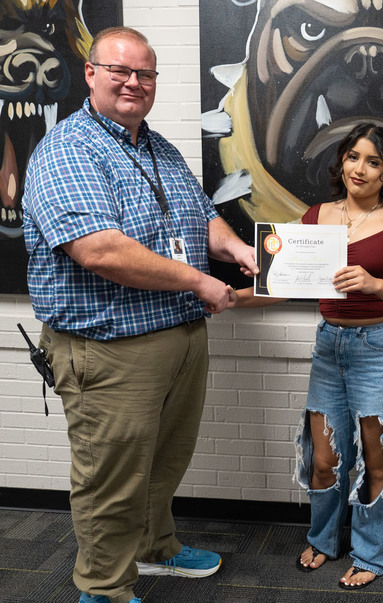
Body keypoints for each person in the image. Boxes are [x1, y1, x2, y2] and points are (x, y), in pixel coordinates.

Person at [22, 27, 259, 603]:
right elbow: (99, 250)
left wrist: (237, 249)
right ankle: (103, 588)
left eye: (145, 74)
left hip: (178, 335)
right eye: (120, 71)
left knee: (162, 463)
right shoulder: (68, 149)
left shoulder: (158, 147)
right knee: (110, 477)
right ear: (91, 74)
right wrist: (200, 280)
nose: (134, 82)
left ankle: (155, 548)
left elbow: (199, 215)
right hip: (110, 349)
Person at [233, 122, 383, 589]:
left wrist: (375, 283)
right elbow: (282, 285)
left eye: (373, 161)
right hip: (330, 347)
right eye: (353, 157)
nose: (360, 169)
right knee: (323, 459)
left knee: (377, 460)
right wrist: (230, 298)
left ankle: (372, 554)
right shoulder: (316, 216)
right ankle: (324, 540)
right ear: (340, 161)